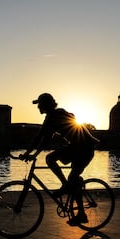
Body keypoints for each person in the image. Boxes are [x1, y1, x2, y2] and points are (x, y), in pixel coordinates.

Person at [20, 93, 99, 226]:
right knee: (68, 176)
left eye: (39, 104)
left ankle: (80, 211)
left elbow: (41, 138)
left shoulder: (53, 117)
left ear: (45, 105)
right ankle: (68, 187)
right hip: (77, 147)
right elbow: (45, 139)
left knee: (53, 161)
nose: (38, 107)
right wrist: (31, 153)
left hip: (83, 148)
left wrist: (30, 153)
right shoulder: (56, 115)